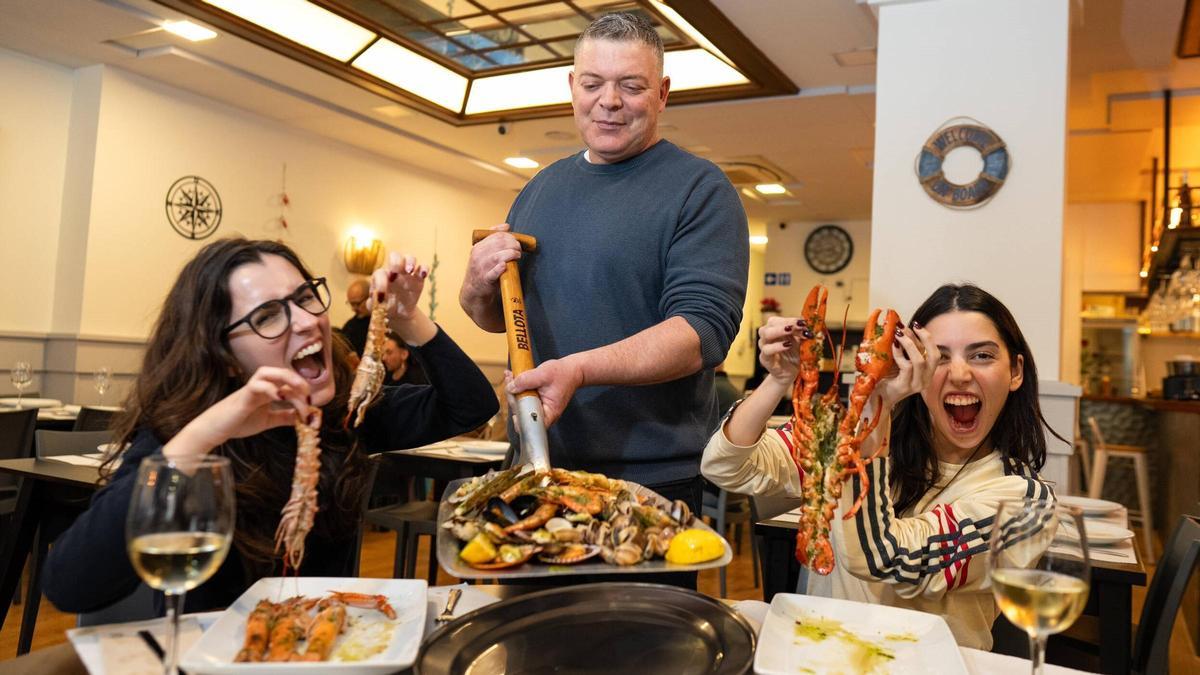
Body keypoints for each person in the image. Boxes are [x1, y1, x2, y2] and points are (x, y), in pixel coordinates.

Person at [43, 238, 497, 614]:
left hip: (332, 653)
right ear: (223, 356)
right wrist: (206, 433)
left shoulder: (345, 415)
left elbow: (470, 405)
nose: (305, 321)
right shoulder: (186, 437)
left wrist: (404, 317)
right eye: (266, 317)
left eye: (303, 298)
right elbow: (71, 586)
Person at [459, 12, 748, 513]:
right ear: (573, 86)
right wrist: (473, 287)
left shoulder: (700, 191)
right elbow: (500, 320)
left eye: (631, 86)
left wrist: (578, 370)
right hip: (532, 464)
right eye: (592, 83)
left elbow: (701, 332)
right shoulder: (538, 189)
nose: (608, 101)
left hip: (648, 482)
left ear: (662, 93)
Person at [701, 284, 1060, 650]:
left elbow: (888, 558)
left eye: (982, 356)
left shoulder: (1025, 502)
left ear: (1015, 371)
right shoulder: (843, 435)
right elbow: (726, 467)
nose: (960, 374)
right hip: (816, 657)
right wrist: (778, 380)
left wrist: (877, 407)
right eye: (939, 356)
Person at [341, 278, 371, 355]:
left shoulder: (385, 322)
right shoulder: (349, 326)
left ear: (370, 297)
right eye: (351, 304)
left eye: (357, 304)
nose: (354, 309)